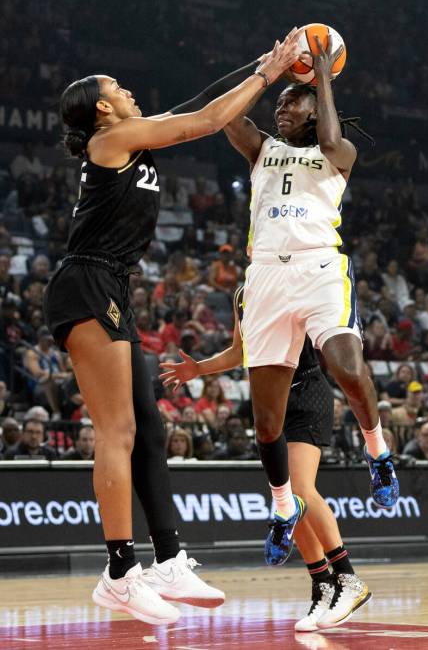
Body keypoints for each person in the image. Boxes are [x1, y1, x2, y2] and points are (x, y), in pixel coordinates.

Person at [43, 33, 301, 625]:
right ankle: (118, 573)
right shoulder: (113, 138)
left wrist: (260, 65)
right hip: (86, 284)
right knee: (117, 430)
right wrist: (272, 75)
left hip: (111, 286)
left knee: (151, 428)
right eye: (117, 86)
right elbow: (206, 121)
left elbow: (201, 102)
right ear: (103, 107)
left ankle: (166, 557)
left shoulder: (126, 133)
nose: (126, 88)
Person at [171, 33, 399, 566]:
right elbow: (223, 113)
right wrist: (269, 73)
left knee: (345, 363)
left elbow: (332, 131)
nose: (279, 111)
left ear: (311, 109)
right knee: (266, 423)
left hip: (319, 266)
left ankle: (378, 451)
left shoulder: (338, 152)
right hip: (266, 278)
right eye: (277, 105)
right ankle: (281, 508)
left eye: (288, 105)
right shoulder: (261, 150)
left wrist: (320, 77)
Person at [160, 284, 371, 630]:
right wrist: (199, 369)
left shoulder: (295, 279)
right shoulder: (242, 292)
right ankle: (322, 584)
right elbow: (239, 352)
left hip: (306, 393)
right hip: (271, 402)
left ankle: (348, 578)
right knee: (286, 497)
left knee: (300, 489)